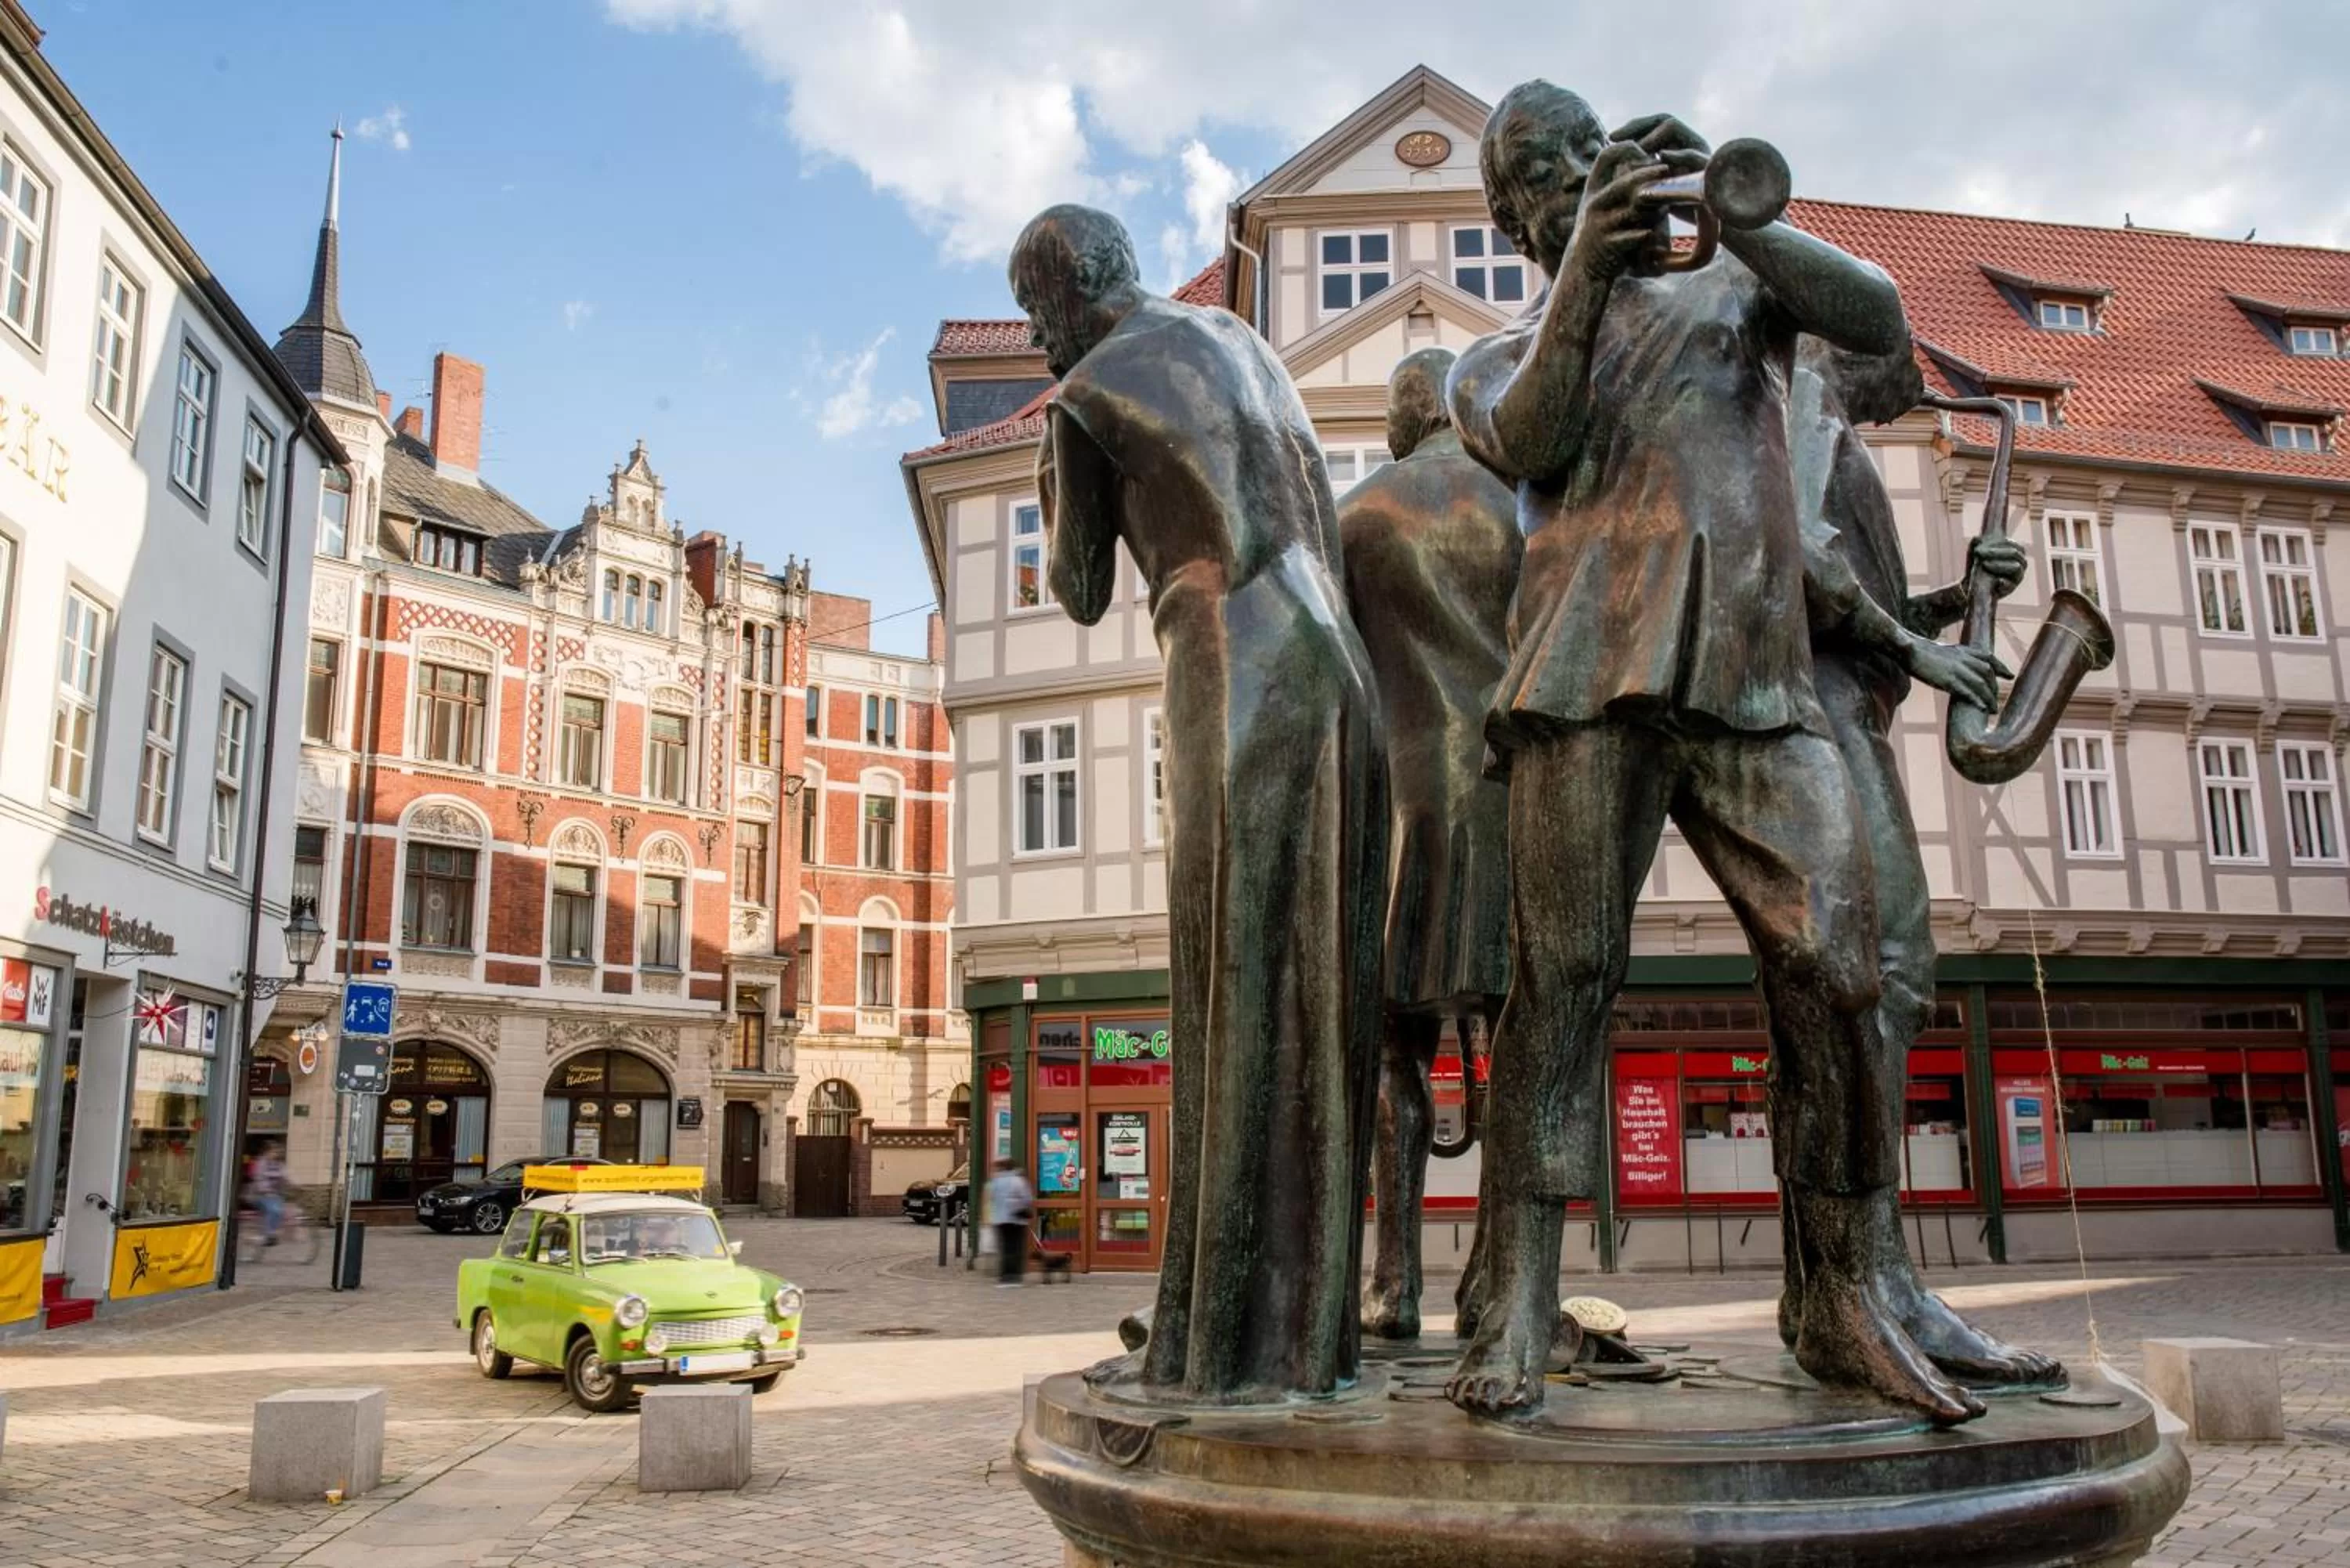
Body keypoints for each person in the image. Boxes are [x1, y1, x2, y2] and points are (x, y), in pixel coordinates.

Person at [1444, 82, 1980, 1423]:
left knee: (1840, 965)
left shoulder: (1742, 292)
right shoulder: (1495, 354)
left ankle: (1841, 1286)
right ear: (1513, 216)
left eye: (1589, 152)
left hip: (1754, 681)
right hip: (1582, 681)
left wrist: (1748, 220)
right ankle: (1515, 1294)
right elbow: (1535, 437)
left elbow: (1879, 325)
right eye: (1543, 173)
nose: (1578, 175)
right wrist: (1586, 270)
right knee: (1562, 987)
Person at [1010, 203, 1387, 1403]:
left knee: (1227, 980)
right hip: (1337, 659)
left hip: (1232, 653)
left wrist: (1056, 463)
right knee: (1320, 995)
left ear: (1065, 297)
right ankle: (1305, 1330)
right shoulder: (1236, 338)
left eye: (1034, 317)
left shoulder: (1082, 394)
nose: (1035, 342)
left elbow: (1072, 589)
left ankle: (1215, 1336)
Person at [1784, 335, 2063, 1389]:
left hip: (1848, 705)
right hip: (1825, 714)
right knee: (1887, 978)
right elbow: (1797, 558)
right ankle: (1873, 1284)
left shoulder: (1841, 433)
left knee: (1859, 993)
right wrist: (1924, 651)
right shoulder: (1812, 402)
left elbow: (1854, 594)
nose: (1918, 363)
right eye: (1895, 336)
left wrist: (1951, 600)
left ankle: (1835, 1289)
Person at [1338, 346, 1520, 1342]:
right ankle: (1499, 1290)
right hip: (1509, 803)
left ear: (1402, 425)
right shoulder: (1523, 504)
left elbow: (1333, 676)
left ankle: (1392, 1285)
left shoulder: (1356, 515)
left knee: (1390, 1059)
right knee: (1524, 1053)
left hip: (1401, 812)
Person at [985, 1159, 1033, 1287]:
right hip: (1017, 1220)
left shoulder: (996, 1181)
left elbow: (991, 1198)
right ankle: (1015, 1276)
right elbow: (1027, 1198)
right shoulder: (1018, 1180)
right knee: (1016, 1247)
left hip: (1000, 1219)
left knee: (1005, 1247)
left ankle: (1004, 1276)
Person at [246, 1140, 287, 1247]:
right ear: (267, 1152)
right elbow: (258, 1179)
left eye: (276, 1152)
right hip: (258, 1195)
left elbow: (285, 1176)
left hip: (273, 1196)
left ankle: (272, 1234)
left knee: (280, 1211)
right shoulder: (261, 1163)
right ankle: (267, 1235)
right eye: (273, 1152)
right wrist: (267, 1191)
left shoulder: (278, 1164)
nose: (275, 1154)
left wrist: (296, 1186)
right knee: (273, 1210)